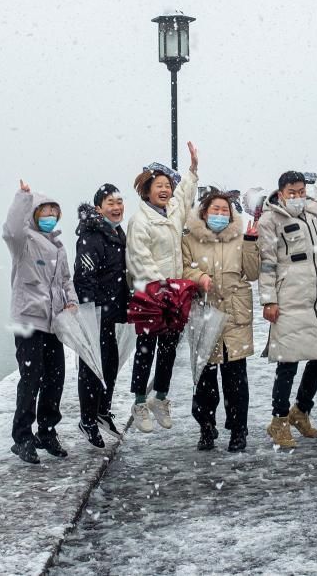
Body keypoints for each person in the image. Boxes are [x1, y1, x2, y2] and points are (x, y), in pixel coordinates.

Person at [259, 171, 317, 448]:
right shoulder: (270, 221)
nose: (298, 197)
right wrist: (268, 300)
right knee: (287, 363)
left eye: (301, 191)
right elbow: (267, 263)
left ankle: (300, 410)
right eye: (292, 192)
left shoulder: (315, 215)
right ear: (280, 193)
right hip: (288, 298)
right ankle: (278, 421)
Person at [2, 180, 78, 465]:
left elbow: (66, 281)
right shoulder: (24, 243)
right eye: (43, 212)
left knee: (55, 378)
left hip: (54, 323)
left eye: (53, 213)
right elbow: (11, 230)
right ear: (34, 215)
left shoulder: (59, 247)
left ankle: (47, 431)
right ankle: (22, 437)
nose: (49, 217)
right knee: (31, 378)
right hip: (28, 320)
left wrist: (71, 302)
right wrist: (23, 197)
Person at [125, 143, 199, 433]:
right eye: (159, 186)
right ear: (147, 190)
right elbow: (138, 258)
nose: (165, 190)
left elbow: (185, 195)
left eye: (167, 185)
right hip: (150, 296)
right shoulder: (139, 220)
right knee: (146, 350)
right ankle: (140, 402)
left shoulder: (172, 213)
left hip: (174, 295)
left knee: (169, 350)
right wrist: (163, 287)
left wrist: (192, 170)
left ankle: (161, 397)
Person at [182, 189, 260, 452]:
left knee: (236, 378)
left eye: (224, 210)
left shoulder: (240, 237)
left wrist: (250, 242)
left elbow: (252, 273)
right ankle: (206, 426)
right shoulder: (190, 238)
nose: (219, 214)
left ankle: (239, 430)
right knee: (204, 379)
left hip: (235, 315)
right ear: (205, 212)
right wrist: (198, 276)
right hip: (204, 315)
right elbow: (182, 268)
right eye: (215, 209)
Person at [73, 184, 129, 448]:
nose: (116, 207)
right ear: (98, 208)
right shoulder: (92, 235)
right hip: (94, 313)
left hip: (111, 312)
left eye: (119, 202)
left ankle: (102, 411)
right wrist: (89, 315)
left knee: (110, 363)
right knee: (92, 368)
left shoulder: (117, 232)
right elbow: (84, 278)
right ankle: (88, 420)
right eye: (110, 203)